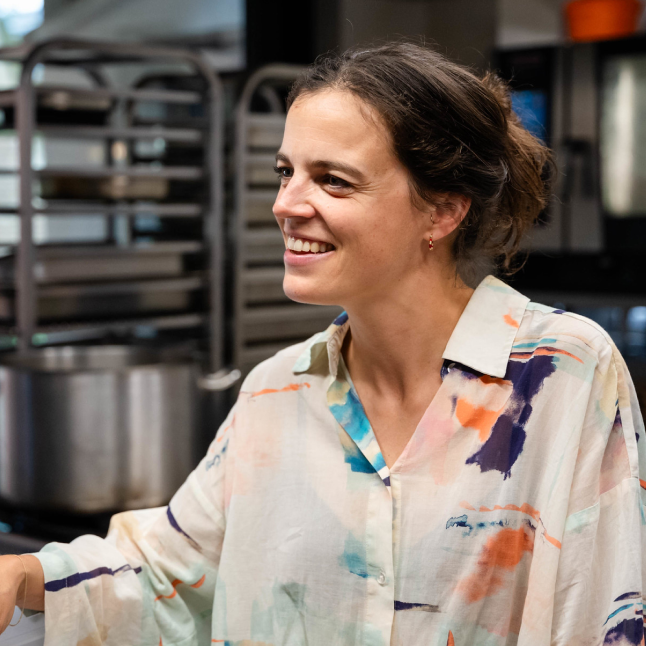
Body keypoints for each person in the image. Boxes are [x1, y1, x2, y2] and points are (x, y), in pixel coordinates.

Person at [1, 41, 644, 646]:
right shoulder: (275, 390)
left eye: (333, 180)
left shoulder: (563, 374)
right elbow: (173, 574)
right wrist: (22, 574)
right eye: (286, 172)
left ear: (443, 211)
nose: (287, 204)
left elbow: (602, 618)